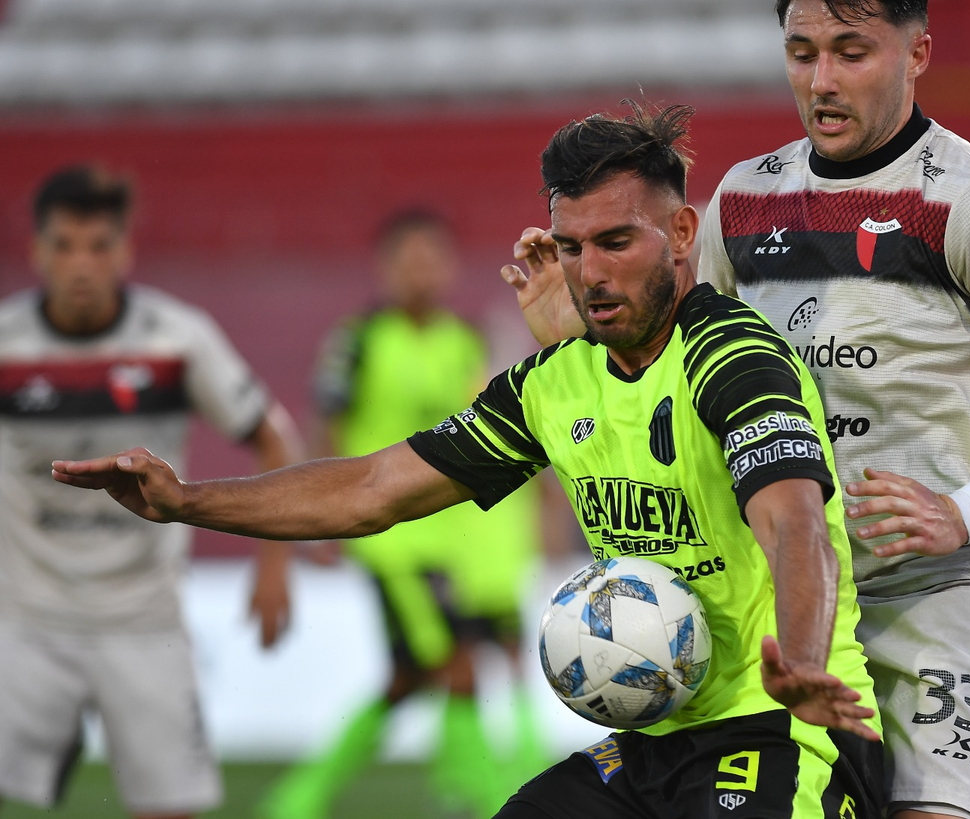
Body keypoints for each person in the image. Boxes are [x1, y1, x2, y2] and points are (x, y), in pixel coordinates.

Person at [54, 103, 887, 819]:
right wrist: (188, 498)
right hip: (654, 740)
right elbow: (373, 487)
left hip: (783, 726)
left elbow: (795, 524)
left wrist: (803, 664)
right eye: (570, 246)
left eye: (615, 242)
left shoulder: (732, 357)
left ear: (679, 233)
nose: (590, 273)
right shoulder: (551, 383)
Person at [501, 4, 970, 817]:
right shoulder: (744, 200)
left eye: (851, 52)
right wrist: (577, 334)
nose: (822, 81)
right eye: (802, 54)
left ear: (918, 54)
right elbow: (674, 372)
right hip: (785, 604)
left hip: (930, 594)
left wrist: (962, 509)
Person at [0, 165, 304, 818]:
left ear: (125, 251)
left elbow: (274, 437)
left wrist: (275, 566)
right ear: (38, 252)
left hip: (144, 622)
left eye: (99, 246)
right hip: (24, 623)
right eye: (65, 246)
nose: (82, 264)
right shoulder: (6, 344)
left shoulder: (177, 338)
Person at [259, 210, 546, 819]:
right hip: (391, 542)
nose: (420, 273)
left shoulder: (463, 340)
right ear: (385, 268)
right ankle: (498, 800)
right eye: (407, 260)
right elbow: (328, 427)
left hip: (451, 540)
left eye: (431, 259)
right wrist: (322, 515)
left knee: (411, 678)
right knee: (459, 666)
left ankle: (303, 796)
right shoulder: (359, 340)